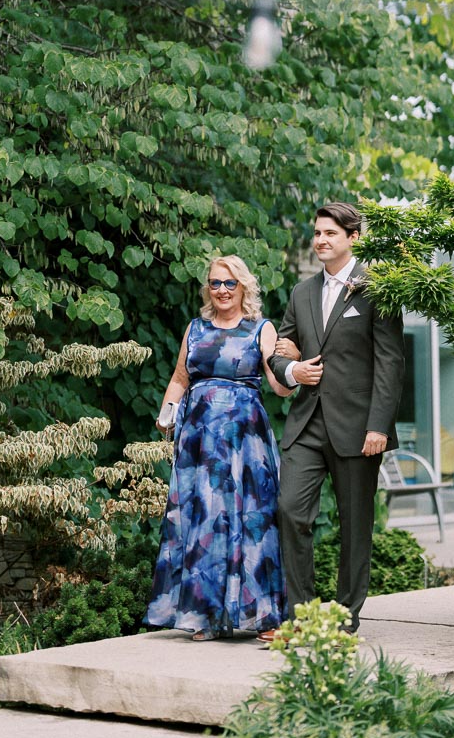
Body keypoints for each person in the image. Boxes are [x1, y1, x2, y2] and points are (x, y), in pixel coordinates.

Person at [261, 201, 404, 639]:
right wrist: (292, 371)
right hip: (307, 423)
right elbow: (281, 348)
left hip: (360, 428)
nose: (321, 240)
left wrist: (378, 425)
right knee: (289, 511)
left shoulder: (378, 287)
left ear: (353, 238)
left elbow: (390, 362)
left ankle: (344, 617)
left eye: (331, 234)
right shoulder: (301, 293)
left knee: (355, 525)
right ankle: (303, 617)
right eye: (317, 233)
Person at [144, 256, 291, 641]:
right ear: (207, 288)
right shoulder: (195, 329)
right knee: (204, 518)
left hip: (245, 440)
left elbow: (279, 385)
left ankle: (261, 617)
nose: (222, 290)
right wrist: (166, 415)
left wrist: (293, 368)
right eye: (215, 283)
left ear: (243, 287)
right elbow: (180, 379)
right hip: (198, 439)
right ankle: (202, 615)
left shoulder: (262, 328)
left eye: (229, 283)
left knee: (248, 519)